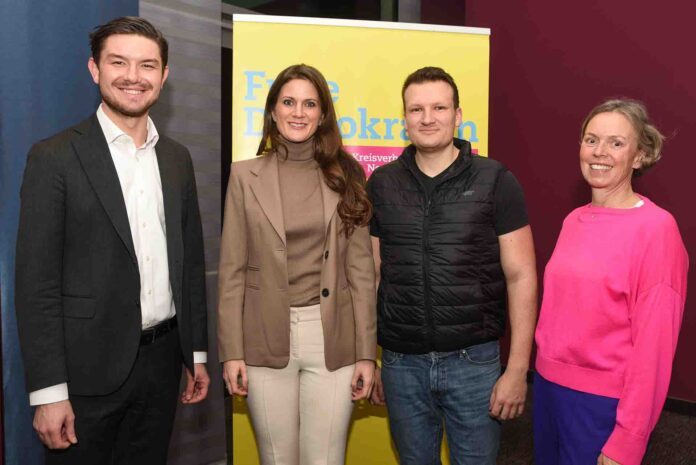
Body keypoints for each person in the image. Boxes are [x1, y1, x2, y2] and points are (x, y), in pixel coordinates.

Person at [14, 16, 209, 465]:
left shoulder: (177, 159)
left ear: (164, 75)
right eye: (118, 62)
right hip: (84, 377)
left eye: (147, 65)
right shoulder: (54, 157)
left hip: (162, 366)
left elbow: (190, 264)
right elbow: (37, 285)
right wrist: (48, 392)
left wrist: (195, 351)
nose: (133, 76)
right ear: (94, 69)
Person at [367, 66, 537, 464]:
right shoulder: (381, 184)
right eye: (416, 109)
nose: (427, 118)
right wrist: (369, 359)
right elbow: (372, 277)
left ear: (458, 115)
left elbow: (521, 276)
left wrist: (517, 369)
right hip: (401, 364)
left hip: (473, 364)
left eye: (439, 108)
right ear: (404, 118)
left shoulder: (496, 180)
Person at [217, 63, 376, 465]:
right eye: (288, 102)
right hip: (264, 335)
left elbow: (361, 273)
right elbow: (232, 271)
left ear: (322, 115)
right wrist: (231, 352)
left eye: (309, 104)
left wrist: (365, 354)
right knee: (276, 459)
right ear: (273, 111)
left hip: (333, 335)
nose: (298, 112)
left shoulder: (348, 175)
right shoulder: (244, 176)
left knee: (326, 459)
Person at [534, 98, 688, 465]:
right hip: (548, 390)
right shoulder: (574, 220)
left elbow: (654, 350)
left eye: (616, 143)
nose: (599, 152)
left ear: (639, 156)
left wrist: (629, 438)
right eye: (591, 140)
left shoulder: (657, 230)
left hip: (603, 404)